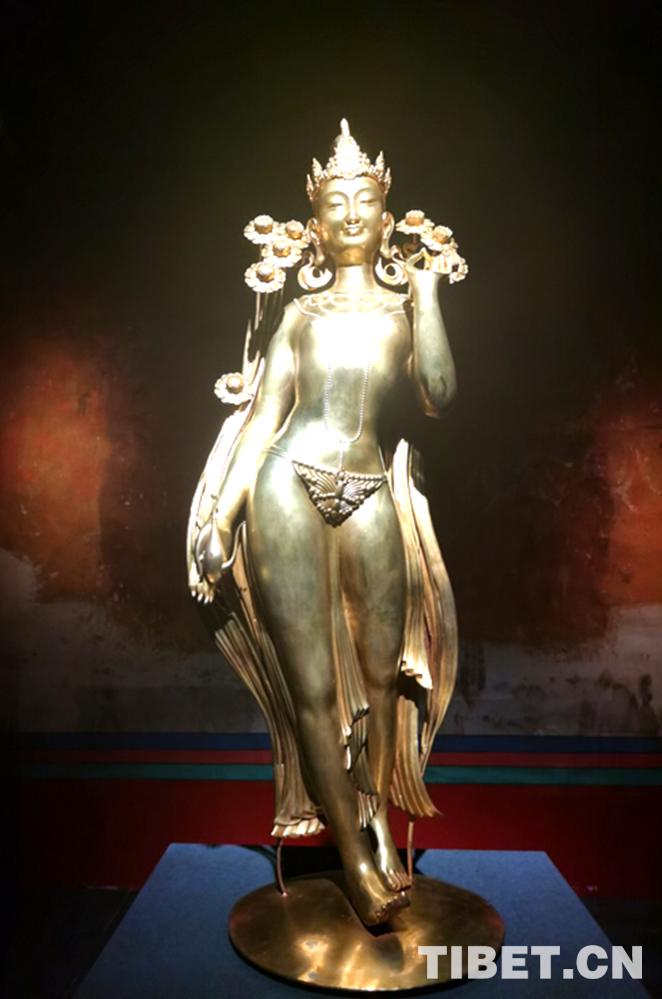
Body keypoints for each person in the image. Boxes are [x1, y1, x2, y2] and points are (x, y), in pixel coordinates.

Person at [188, 121, 461, 926]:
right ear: (314, 223)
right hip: (286, 484)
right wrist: (222, 516)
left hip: (369, 486)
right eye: (334, 201)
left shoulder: (403, 307)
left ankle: (377, 828)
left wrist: (429, 295)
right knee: (311, 686)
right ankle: (354, 860)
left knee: (382, 677)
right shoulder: (300, 317)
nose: (349, 213)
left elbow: (439, 395)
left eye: (363, 200)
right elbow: (263, 418)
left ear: (385, 216)